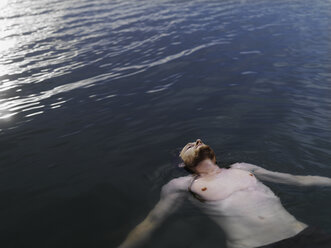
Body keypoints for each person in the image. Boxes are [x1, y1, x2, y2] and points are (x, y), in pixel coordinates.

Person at [118, 139, 331, 248]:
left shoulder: (243, 167)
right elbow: (151, 222)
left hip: (304, 236)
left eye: (198, 142)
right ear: (184, 164)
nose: (196, 142)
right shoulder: (182, 184)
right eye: (190, 145)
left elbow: (299, 180)